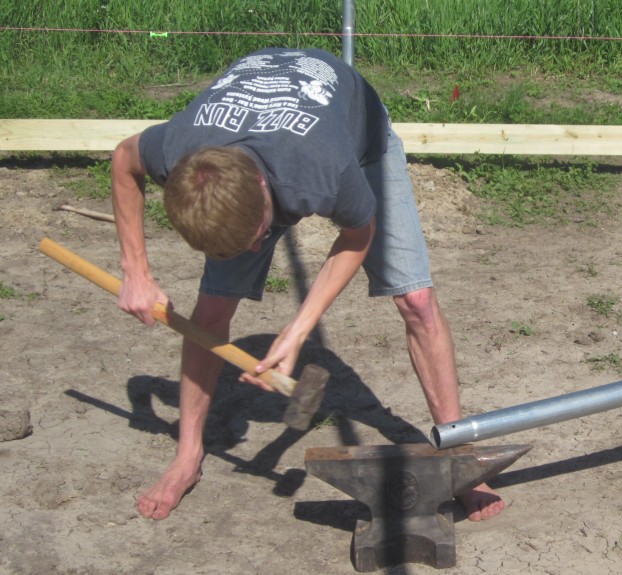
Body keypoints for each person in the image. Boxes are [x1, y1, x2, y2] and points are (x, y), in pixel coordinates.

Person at [110, 47, 503, 522]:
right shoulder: (178, 147)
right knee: (210, 313)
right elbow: (122, 160)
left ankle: (459, 457)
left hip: (358, 135)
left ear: (263, 190)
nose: (258, 251)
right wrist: (136, 271)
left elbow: (357, 237)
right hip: (249, 131)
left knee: (417, 299)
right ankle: (187, 455)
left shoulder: (321, 167)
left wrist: (296, 331)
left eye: (258, 238)